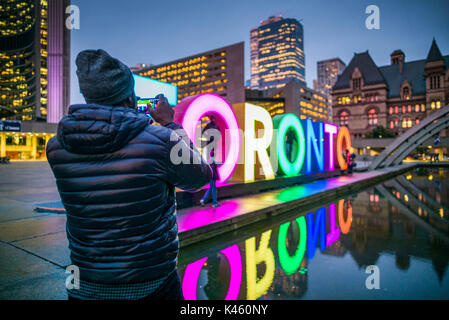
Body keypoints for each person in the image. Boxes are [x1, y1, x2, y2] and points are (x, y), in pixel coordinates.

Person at [46, 49, 213, 300]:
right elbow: (201, 176)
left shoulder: (57, 147)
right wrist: (171, 124)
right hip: (151, 283)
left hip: (85, 283)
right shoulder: (160, 141)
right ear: (130, 97)